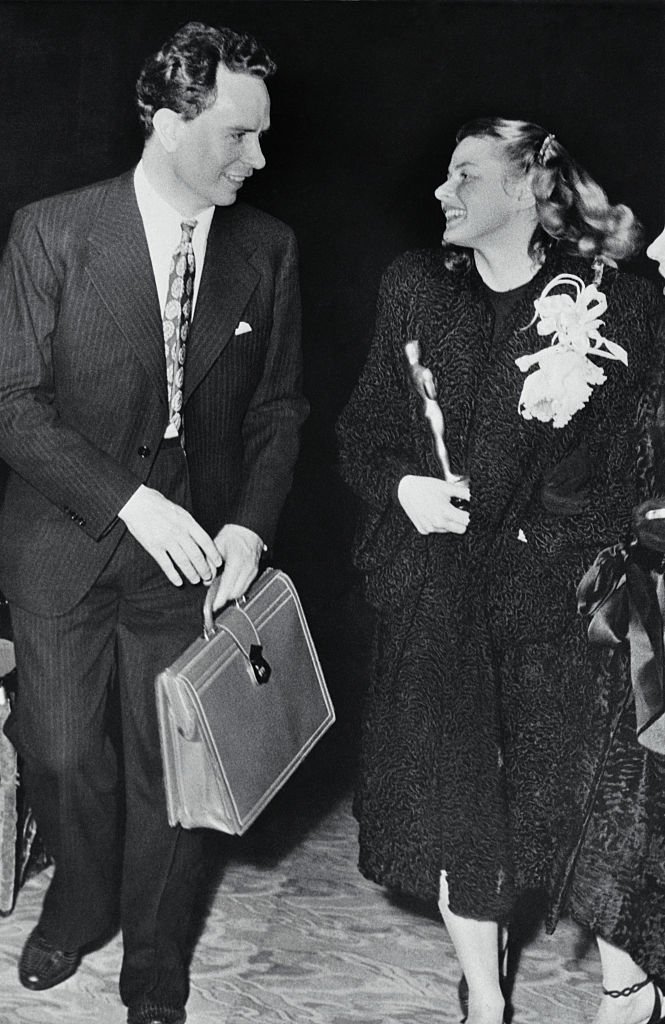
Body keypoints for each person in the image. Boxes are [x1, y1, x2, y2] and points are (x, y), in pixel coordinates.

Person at [0, 21, 307, 1024]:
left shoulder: (268, 249)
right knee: (66, 754)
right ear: (167, 123)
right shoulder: (54, 230)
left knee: (173, 765)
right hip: (65, 544)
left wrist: (248, 527)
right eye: (235, 136)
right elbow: (3, 400)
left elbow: (277, 410)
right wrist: (127, 498)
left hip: (193, 565)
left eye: (260, 136)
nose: (256, 158)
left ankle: (155, 953)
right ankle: (79, 902)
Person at [337, 117, 664, 1024]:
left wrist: (557, 543)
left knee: (587, 802)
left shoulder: (617, 304)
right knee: (456, 805)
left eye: (464, 175)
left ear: (524, 188)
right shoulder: (413, 289)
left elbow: (644, 471)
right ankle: (484, 998)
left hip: (566, 604)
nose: (441, 193)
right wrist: (405, 488)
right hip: (438, 595)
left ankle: (627, 981)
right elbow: (361, 434)